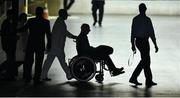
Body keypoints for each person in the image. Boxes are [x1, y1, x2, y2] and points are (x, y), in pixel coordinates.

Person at [41, 9, 77, 81]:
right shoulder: (61, 23)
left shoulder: (59, 21)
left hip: (54, 46)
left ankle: (43, 76)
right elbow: (65, 32)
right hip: (58, 47)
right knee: (62, 61)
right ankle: (69, 75)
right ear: (62, 14)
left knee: (48, 62)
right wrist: (74, 37)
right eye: (66, 15)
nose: (67, 16)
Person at [19, 7, 51, 85]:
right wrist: (49, 45)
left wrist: (13, 30)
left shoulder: (31, 21)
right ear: (42, 13)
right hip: (40, 44)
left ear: (36, 13)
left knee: (28, 62)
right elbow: (48, 35)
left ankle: (27, 78)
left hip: (31, 44)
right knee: (38, 62)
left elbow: (23, 29)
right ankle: (36, 79)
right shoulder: (46, 22)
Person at [129, 3, 158, 87]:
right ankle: (137, 78)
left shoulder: (135, 19)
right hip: (145, 42)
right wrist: (155, 45)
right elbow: (151, 33)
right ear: (145, 9)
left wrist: (133, 45)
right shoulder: (147, 20)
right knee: (146, 60)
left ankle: (146, 79)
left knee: (145, 60)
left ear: (139, 9)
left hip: (138, 42)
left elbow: (132, 33)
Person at [0, 9, 17, 81]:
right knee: (10, 60)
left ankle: (9, 74)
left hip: (8, 44)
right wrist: (14, 37)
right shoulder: (7, 23)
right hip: (8, 44)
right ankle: (8, 74)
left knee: (10, 60)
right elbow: (6, 35)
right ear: (10, 15)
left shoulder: (7, 22)